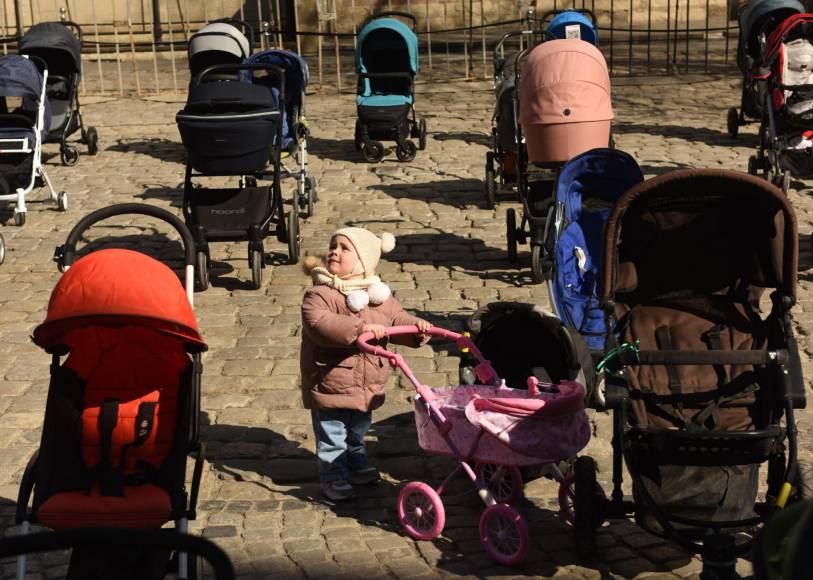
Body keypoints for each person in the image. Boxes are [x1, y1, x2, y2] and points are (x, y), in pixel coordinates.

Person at [300, 227, 431, 501]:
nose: (334, 251)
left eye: (344, 248)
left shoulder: (378, 296)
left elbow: (398, 319)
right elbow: (321, 324)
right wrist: (361, 328)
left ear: (362, 262)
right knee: (333, 435)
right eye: (333, 245)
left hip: (367, 382)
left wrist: (416, 329)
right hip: (330, 381)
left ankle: (356, 467)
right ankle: (333, 476)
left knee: (358, 430)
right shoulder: (320, 294)